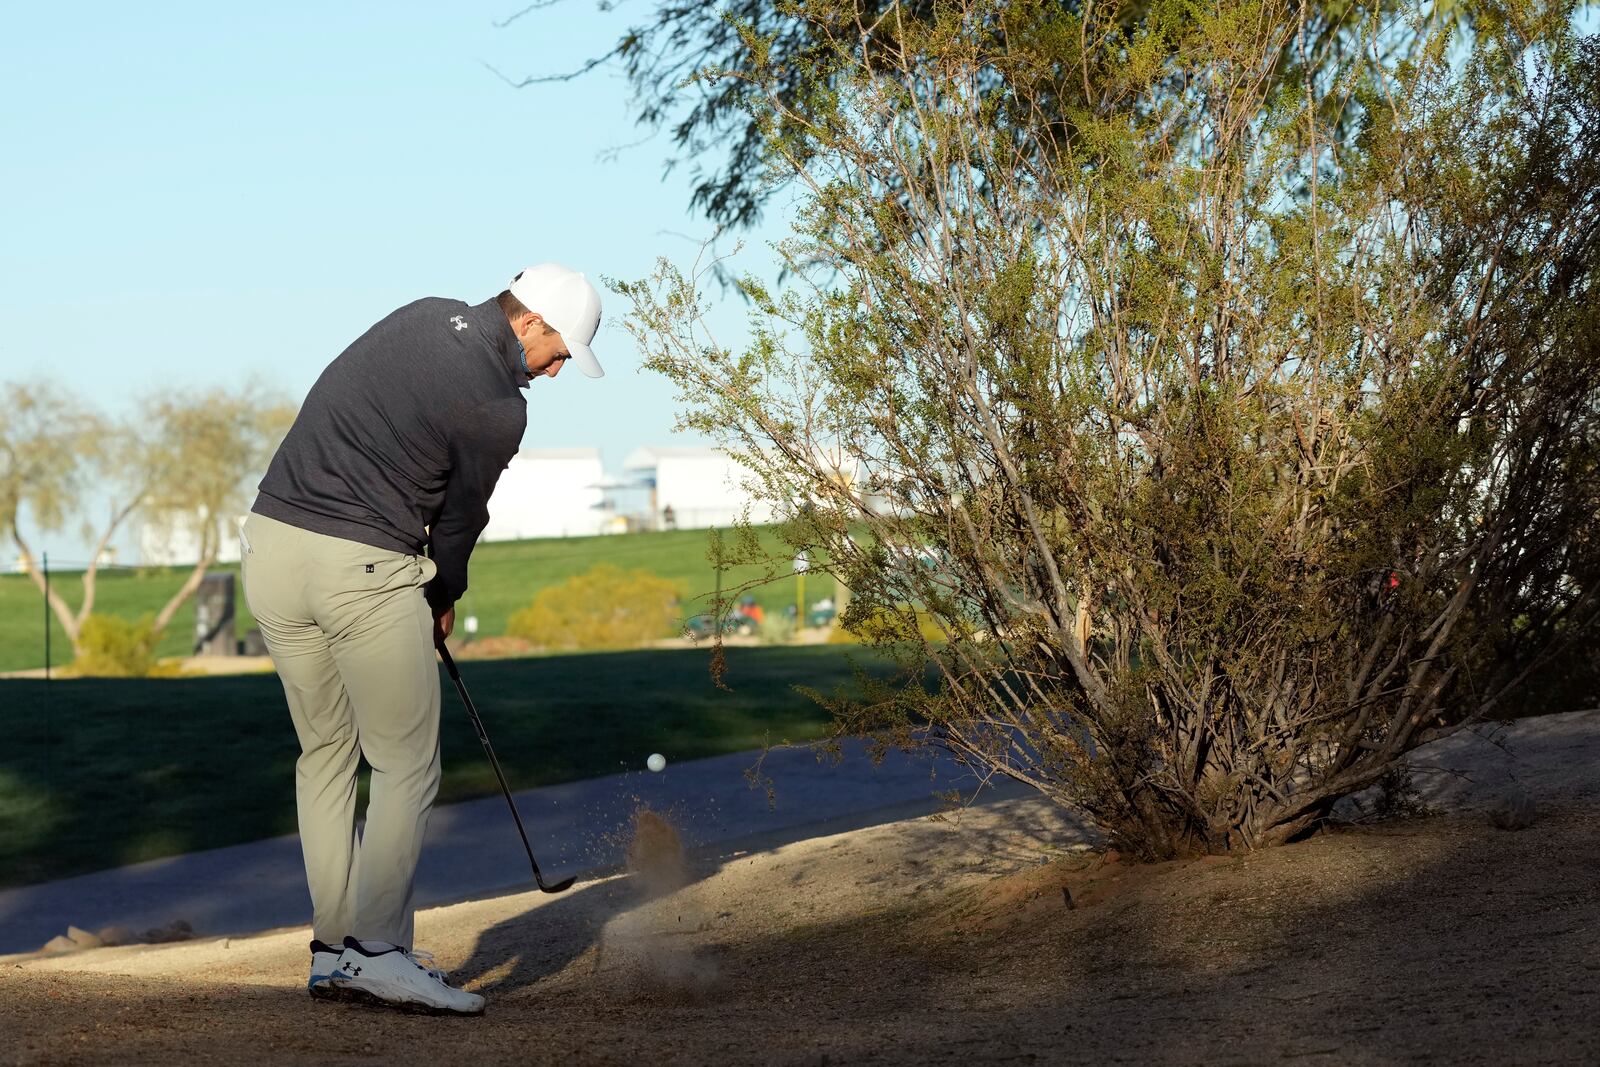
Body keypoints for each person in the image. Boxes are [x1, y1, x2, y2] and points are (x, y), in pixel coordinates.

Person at [239, 264, 603, 1015]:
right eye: (561, 351)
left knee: (325, 753)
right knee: (405, 761)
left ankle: (334, 950)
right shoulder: (499, 407)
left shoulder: (422, 313)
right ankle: (377, 951)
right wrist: (441, 595)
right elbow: (461, 520)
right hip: (360, 566)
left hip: (270, 547)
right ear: (530, 322)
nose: (559, 369)